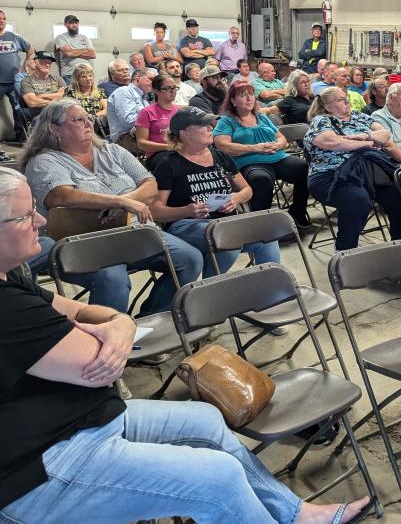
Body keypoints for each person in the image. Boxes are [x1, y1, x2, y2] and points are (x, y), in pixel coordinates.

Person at [0, 167, 370, 523]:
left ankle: (295, 515)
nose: (42, 221)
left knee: (206, 420)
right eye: (25, 216)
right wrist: (111, 330)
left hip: (82, 420)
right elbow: (100, 369)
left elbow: (82, 310)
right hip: (40, 466)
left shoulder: (12, 276)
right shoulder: (8, 306)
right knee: (217, 478)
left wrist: (120, 322)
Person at [20, 100, 203, 313]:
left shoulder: (112, 150)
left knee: (190, 259)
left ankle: (148, 321)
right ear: (55, 128)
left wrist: (128, 201)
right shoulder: (44, 161)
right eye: (79, 119)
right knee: (112, 276)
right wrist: (120, 201)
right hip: (82, 242)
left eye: (90, 118)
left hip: (135, 232)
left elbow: (150, 184)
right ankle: (105, 336)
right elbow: (61, 195)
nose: (89, 123)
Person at [150, 107, 281, 278]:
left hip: (225, 222)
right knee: (227, 238)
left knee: (267, 236)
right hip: (187, 224)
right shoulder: (168, 164)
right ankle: (212, 291)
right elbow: (155, 210)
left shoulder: (220, 156)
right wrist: (187, 210)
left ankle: (271, 288)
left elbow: (247, 190)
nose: (211, 128)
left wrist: (236, 198)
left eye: (210, 124)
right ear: (184, 134)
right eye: (203, 125)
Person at [304, 87, 401, 251]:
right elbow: (332, 142)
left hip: (367, 172)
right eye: (340, 99)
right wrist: (367, 143)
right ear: (328, 106)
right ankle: (345, 252)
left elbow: (385, 135)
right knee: (358, 199)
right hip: (330, 175)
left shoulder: (359, 117)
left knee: (400, 193)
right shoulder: (322, 121)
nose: (347, 101)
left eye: (346, 97)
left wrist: (365, 136)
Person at [212, 81, 311, 228]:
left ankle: (297, 211)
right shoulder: (226, 121)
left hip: (277, 157)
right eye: (243, 95)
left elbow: (281, 137)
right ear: (232, 100)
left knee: (304, 167)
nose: (249, 98)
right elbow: (222, 146)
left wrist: (279, 144)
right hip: (249, 162)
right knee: (260, 179)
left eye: (251, 94)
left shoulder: (261, 117)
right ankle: (262, 224)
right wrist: (255, 148)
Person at [134, 73, 179, 160]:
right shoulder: (146, 112)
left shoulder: (179, 110)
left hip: (179, 151)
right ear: (155, 90)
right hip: (159, 154)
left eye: (174, 88)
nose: (173, 91)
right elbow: (141, 143)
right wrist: (170, 147)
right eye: (168, 88)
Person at [0, 10, 34, 121]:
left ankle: (20, 135)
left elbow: (30, 48)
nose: (1, 21)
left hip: (15, 80)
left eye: (4, 18)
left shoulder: (14, 36)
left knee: (19, 109)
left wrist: (27, 62)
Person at [106, 68, 152, 144]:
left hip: (140, 135)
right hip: (124, 139)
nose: (154, 83)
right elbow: (128, 121)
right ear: (138, 77)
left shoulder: (144, 97)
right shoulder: (124, 91)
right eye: (150, 79)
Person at [19, 51, 67, 119]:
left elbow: (66, 96)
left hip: (59, 113)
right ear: (35, 62)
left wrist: (42, 96)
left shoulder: (58, 79)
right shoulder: (27, 81)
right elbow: (32, 102)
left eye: (49, 63)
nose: (47, 65)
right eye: (44, 62)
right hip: (40, 116)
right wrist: (55, 100)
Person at [53, 14, 95, 87]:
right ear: (66, 25)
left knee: (87, 95)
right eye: (71, 23)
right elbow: (68, 53)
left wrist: (73, 51)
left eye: (76, 23)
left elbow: (93, 54)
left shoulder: (85, 38)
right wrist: (85, 49)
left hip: (86, 74)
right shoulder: (60, 38)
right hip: (69, 74)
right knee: (71, 97)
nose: (74, 25)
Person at [65, 61, 108, 133]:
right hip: (78, 125)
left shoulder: (100, 91)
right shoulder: (70, 91)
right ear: (77, 79)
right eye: (84, 77)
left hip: (97, 123)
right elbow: (69, 111)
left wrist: (92, 116)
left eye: (90, 75)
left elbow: (107, 110)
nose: (88, 79)